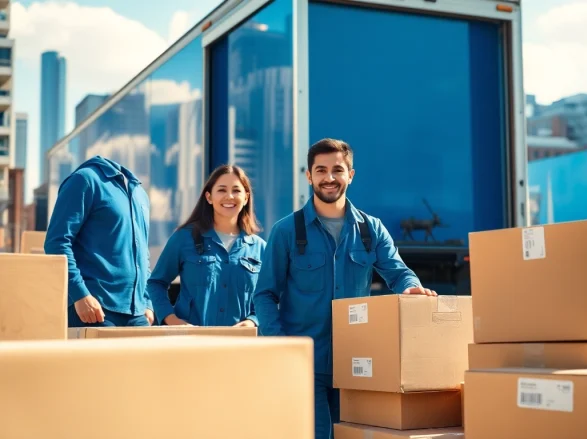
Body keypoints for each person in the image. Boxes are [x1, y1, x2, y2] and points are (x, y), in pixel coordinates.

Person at [251, 138, 436, 439]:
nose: (329, 178)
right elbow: (265, 295)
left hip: (355, 364)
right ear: (309, 175)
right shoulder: (286, 231)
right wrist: (280, 344)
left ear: (351, 174)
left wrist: (411, 287)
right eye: (321, 170)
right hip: (303, 362)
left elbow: (398, 273)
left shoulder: (370, 229)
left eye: (338, 169)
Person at [147, 164, 265, 327]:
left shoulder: (260, 248)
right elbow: (156, 283)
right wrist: (171, 319)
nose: (229, 196)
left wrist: (253, 321)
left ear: (246, 197)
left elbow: (269, 296)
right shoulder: (184, 238)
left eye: (236, 190)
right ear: (209, 197)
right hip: (192, 343)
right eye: (221, 190)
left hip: (241, 344)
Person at [44, 155, 154, 327]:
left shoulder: (140, 193)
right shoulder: (84, 180)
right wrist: (79, 294)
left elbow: (142, 254)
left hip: (137, 313)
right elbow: (57, 242)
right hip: (95, 310)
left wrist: (147, 301)